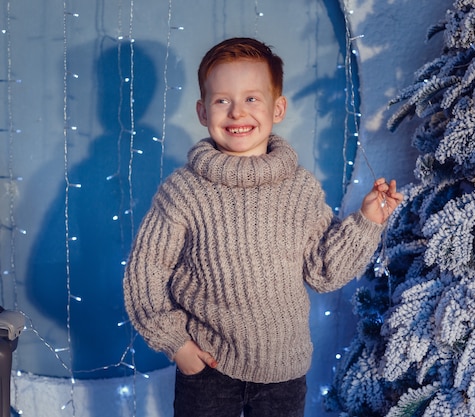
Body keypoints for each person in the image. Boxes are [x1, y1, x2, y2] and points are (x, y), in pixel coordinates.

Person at [123, 37, 403, 417]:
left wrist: (367, 221)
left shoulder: (300, 188)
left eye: (252, 98)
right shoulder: (184, 191)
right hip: (207, 367)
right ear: (203, 111)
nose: (237, 112)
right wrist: (177, 345)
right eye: (223, 100)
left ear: (278, 107)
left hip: (282, 372)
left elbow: (322, 272)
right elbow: (146, 271)